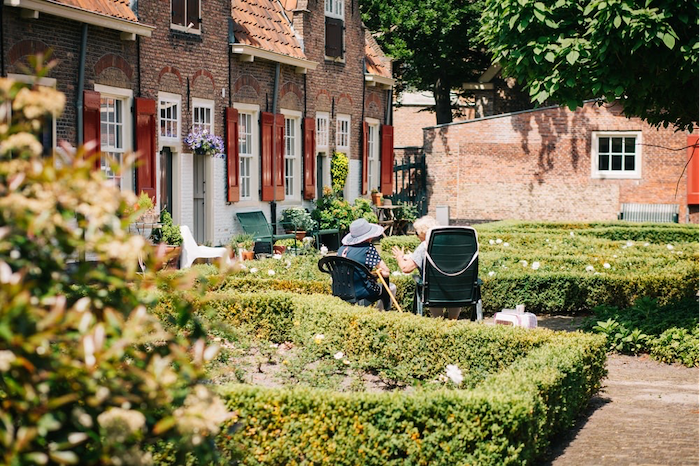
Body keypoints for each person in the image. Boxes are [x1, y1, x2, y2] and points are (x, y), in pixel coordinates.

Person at [392, 215, 461, 320]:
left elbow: (406, 268)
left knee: (430, 285)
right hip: (458, 290)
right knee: (450, 283)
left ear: (423, 233)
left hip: (434, 291)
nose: (416, 236)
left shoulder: (425, 245)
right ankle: (453, 320)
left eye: (416, 233)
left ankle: (439, 321)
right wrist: (413, 257)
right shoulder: (454, 245)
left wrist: (399, 257)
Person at [338, 218, 394, 310]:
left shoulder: (341, 249)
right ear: (368, 236)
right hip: (360, 291)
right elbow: (385, 270)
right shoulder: (368, 249)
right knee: (391, 287)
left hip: (340, 290)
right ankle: (381, 315)